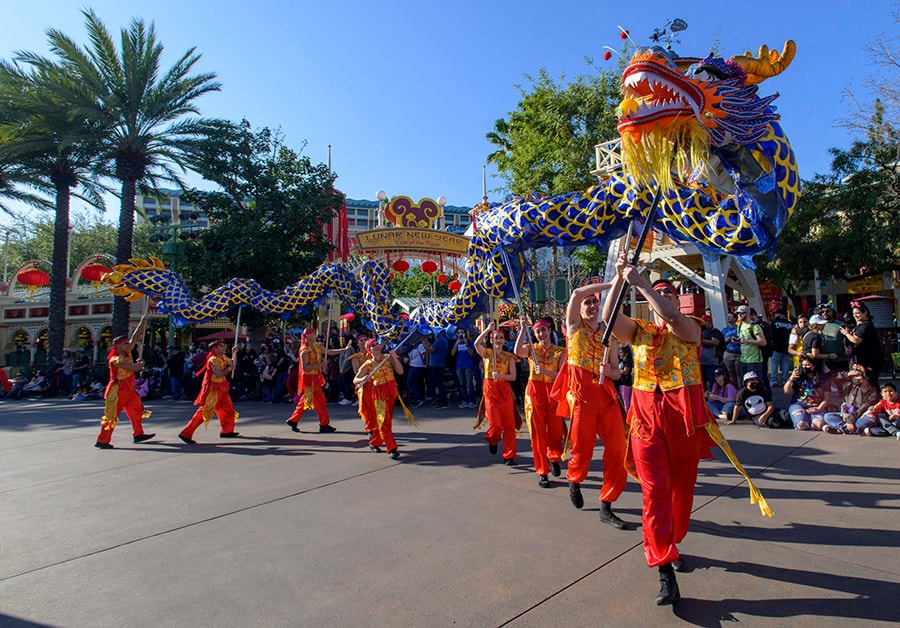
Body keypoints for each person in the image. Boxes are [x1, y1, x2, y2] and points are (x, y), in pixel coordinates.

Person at [603, 260, 718, 606]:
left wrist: (643, 285)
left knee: (681, 491)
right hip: (645, 418)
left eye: (667, 293)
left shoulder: (692, 327)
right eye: (658, 292)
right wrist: (619, 281)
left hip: (681, 418)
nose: (661, 297)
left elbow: (673, 319)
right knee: (654, 493)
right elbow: (609, 320)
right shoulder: (638, 331)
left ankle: (673, 539)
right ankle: (663, 568)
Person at [555, 279, 629, 529]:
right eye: (587, 303)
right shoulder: (574, 327)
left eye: (594, 303)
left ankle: (607, 505)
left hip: (606, 397)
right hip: (582, 399)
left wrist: (610, 371)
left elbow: (618, 373)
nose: (591, 306)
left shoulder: (609, 334)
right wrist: (610, 283)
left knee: (618, 449)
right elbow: (575, 293)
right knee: (582, 451)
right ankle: (574, 479)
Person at [514, 320, 565, 488]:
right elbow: (517, 351)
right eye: (537, 332)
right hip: (534, 394)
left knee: (556, 433)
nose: (541, 334)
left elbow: (561, 375)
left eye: (543, 330)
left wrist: (544, 371)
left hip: (553, 394)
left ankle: (554, 457)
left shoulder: (560, 352)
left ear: (549, 331)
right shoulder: (531, 349)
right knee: (537, 436)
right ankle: (542, 472)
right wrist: (522, 330)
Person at [95, 319, 155, 449]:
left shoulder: (126, 352)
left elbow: (135, 337)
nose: (128, 345)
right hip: (117, 391)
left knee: (137, 409)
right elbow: (133, 368)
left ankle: (138, 434)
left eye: (128, 343)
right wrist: (140, 364)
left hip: (129, 389)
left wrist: (142, 323)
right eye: (125, 344)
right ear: (117, 346)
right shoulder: (115, 358)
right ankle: (102, 440)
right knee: (111, 416)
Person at [353, 339, 409, 458]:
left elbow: (400, 371)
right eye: (372, 345)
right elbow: (355, 379)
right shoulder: (368, 364)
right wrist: (363, 379)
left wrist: (394, 357)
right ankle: (391, 448)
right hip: (379, 394)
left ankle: (375, 442)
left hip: (391, 391)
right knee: (384, 421)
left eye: (377, 344)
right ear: (369, 350)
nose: (376, 346)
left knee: (386, 419)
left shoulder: (387, 358)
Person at [474, 323, 519, 465]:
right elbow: (476, 343)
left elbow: (513, 376)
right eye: (495, 338)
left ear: (504, 340)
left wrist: (500, 375)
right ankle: (493, 439)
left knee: (509, 426)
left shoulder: (509, 357)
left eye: (501, 338)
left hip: (505, 392)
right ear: (491, 340)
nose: (498, 340)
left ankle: (509, 455)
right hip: (490, 392)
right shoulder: (487, 354)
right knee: (495, 424)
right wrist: (487, 330)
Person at [178, 340, 240, 443]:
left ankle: (227, 431)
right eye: (221, 347)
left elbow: (233, 362)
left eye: (224, 346)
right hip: (213, 389)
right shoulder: (213, 360)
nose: (224, 348)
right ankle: (186, 433)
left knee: (228, 408)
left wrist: (234, 353)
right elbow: (219, 374)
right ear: (214, 349)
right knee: (204, 412)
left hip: (222, 388)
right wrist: (229, 369)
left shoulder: (223, 357)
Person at [285, 329, 338, 434]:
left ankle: (293, 420)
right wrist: (321, 365)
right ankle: (323, 424)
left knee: (309, 401)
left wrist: (344, 349)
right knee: (317, 401)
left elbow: (330, 352)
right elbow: (305, 367)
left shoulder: (317, 346)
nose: (315, 335)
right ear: (307, 336)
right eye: (313, 334)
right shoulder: (304, 350)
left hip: (315, 377)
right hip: (309, 378)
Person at [820, 366, 880, 434]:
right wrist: (847, 374)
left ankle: (842, 429)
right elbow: (832, 377)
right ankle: (848, 428)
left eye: (858, 375)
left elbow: (862, 409)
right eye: (854, 375)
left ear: (866, 378)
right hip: (847, 415)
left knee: (869, 420)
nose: (854, 377)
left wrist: (850, 421)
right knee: (828, 416)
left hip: (861, 416)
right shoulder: (849, 384)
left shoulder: (873, 392)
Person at [840, 301, 883, 386]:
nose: (855, 315)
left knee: (869, 383)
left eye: (858, 313)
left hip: (869, 360)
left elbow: (856, 340)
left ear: (865, 312)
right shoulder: (862, 325)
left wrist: (846, 333)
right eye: (854, 313)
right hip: (864, 359)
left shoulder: (865, 326)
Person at [784, 357, 830, 430]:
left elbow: (826, 399)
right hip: (798, 404)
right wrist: (791, 378)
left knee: (819, 424)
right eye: (803, 365)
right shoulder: (799, 377)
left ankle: (818, 424)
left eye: (808, 365)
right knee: (801, 424)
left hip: (816, 405)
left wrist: (818, 409)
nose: (805, 367)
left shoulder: (822, 377)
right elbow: (786, 391)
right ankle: (804, 420)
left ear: (814, 365)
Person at [736, 305, 767, 391]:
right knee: (745, 384)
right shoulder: (740, 326)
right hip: (743, 359)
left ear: (747, 313)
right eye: (738, 313)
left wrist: (746, 341)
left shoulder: (754, 326)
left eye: (741, 313)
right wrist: (738, 341)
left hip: (754, 360)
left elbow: (763, 342)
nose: (739, 315)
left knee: (756, 384)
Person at [452, 329, 478, 409]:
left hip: (468, 365)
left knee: (469, 383)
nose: (460, 334)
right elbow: (452, 353)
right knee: (462, 384)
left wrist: (467, 344)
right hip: (459, 365)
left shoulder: (470, 342)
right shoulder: (455, 342)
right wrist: (457, 343)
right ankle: (465, 400)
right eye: (459, 333)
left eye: (462, 332)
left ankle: (472, 401)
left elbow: (471, 353)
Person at [768, 309, 794, 387]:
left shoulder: (775, 324)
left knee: (774, 364)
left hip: (776, 347)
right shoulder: (790, 324)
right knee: (785, 365)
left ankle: (774, 381)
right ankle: (785, 380)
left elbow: (770, 334)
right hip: (787, 347)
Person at [699, 315, 724, 390]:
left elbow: (715, 342)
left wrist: (702, 340)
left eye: (704, 322)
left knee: (713, 381)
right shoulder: (702, 331)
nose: (703, 324)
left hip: (712, 363)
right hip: (702, 363)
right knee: (703, 383)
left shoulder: (714, 331)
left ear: (709, 321)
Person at [429, 329, 450, 408]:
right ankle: (440, 400)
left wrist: (424, 342)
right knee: (438, 384)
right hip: (438, 363)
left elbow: (430, 349)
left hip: (436, 364)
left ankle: (443, 402)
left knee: (439, 384)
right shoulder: (443, 340)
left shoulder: (440, 340)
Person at [721, 312, 741, 386]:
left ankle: (740, 390)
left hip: (738, 353)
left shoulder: (739, 328)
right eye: (728, 316)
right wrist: (726, 340)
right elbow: (721, 343)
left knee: (739, 373)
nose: (728, 318)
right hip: (728, 353)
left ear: (735, 318)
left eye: (730, 316)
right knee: (731, 373)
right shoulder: (725, 330)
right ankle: (733, 391)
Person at [617, 344, 634, 411]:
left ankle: (627, 415)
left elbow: (625, 371)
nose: (620, 354)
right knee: (622, 401)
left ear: (626, 353)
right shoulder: (621, 361)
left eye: (621, 352)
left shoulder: (627, 361)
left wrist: (616, 371)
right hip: (621, 383)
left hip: (626, 383)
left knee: (626, 401)